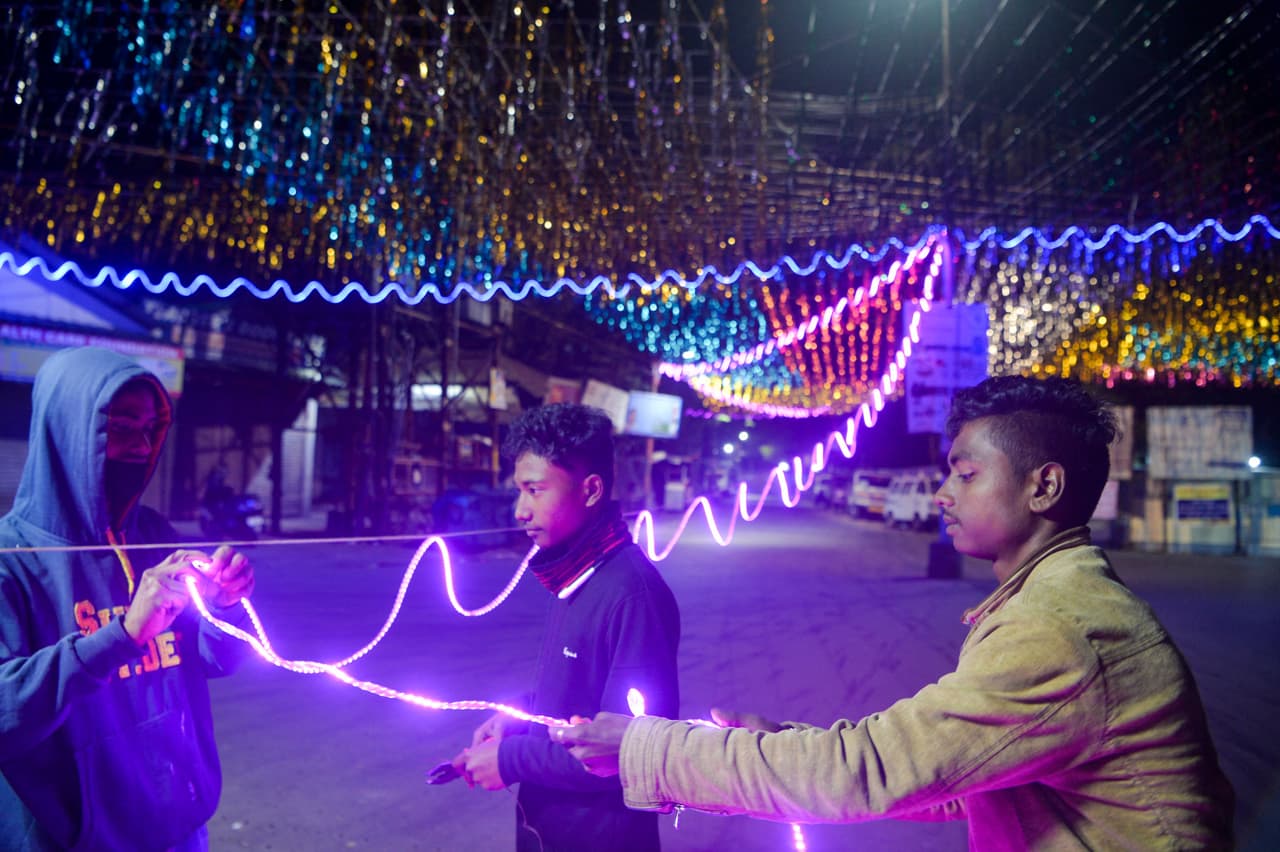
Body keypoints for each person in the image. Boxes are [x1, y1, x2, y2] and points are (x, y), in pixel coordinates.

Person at [554, 375, 1235, 850]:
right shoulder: (1052, 601)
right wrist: (778, 739)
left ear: (1043, 486)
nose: (942, 494)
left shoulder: (1059, 630)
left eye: (965, 475)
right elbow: (959, 775)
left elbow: (867, 772)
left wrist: (646, 748)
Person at [0, 347, 256, 851]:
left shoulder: (155, 539)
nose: (140, 447)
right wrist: (121, 635)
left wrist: (225, 607)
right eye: (120, 428)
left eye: (149, 429)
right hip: (67, 839)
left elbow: (213, 659)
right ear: (70, 432)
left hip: (175, 829)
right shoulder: (12, 563)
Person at [449, 403, 681, 851]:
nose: (520, 510)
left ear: (591, 490)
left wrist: (510, 759)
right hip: (548, 832)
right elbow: (579, 695)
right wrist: (518, 716)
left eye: (535, 490)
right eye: (519, 490)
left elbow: (627, 749)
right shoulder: (577, 575)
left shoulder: (632, 594)